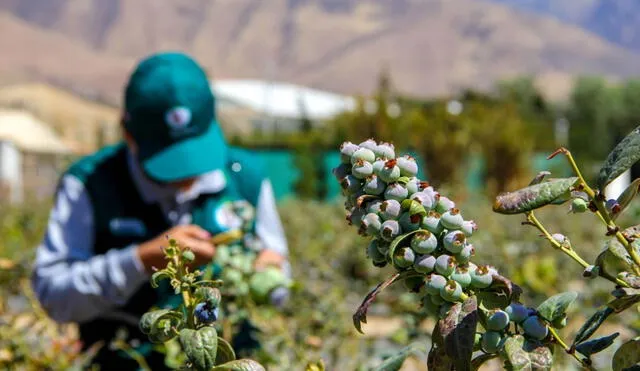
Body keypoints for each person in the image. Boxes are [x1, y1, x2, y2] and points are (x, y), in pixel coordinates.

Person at [30, 52, 289, 369]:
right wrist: (141, 259)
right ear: (127, 133)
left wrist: (269, 276)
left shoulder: (246, 176)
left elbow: (279, 272)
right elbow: (55, 297)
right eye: (168, 159)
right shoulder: (89, 184)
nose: (185, 174)